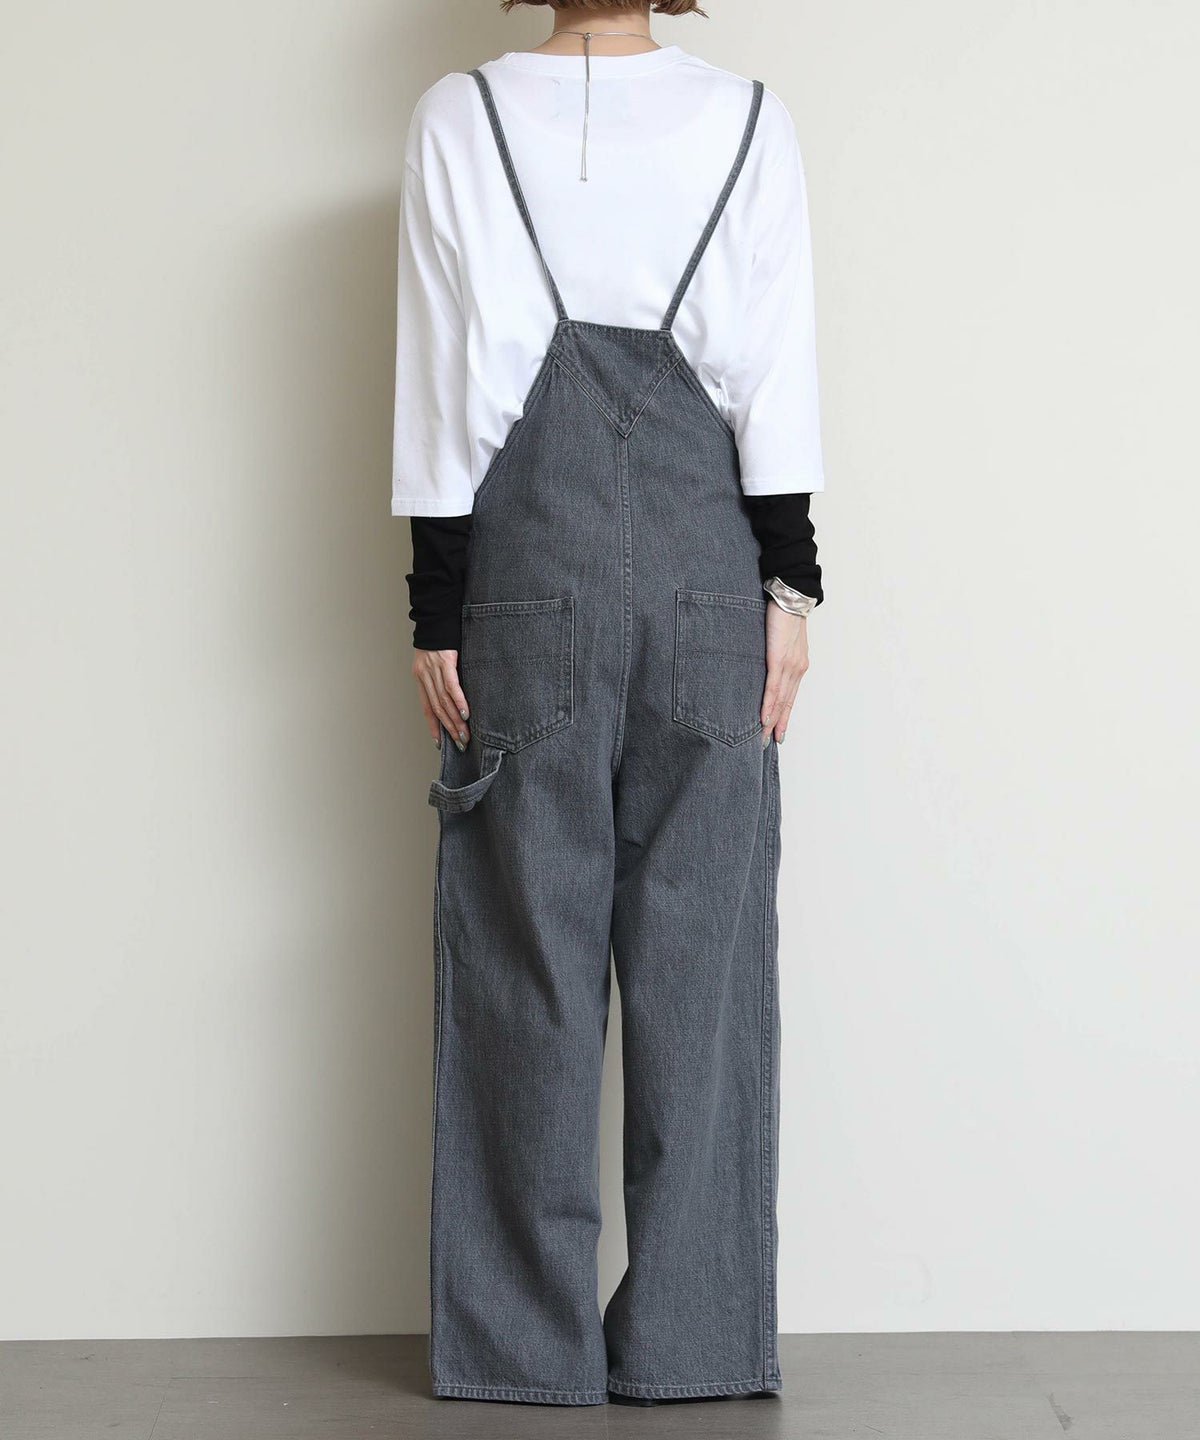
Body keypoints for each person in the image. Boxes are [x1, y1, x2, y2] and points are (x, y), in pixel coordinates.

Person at [391, 0, 825, 1408]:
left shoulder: (458, 117)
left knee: (525, 960)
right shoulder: (750, 120)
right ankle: (697, 1342)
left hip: (526, 585)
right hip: (711, 584)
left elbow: (443, 378)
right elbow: (774, 367)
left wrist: (435, 604)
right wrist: (790, 590)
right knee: (706, 973)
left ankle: (523, 1347)